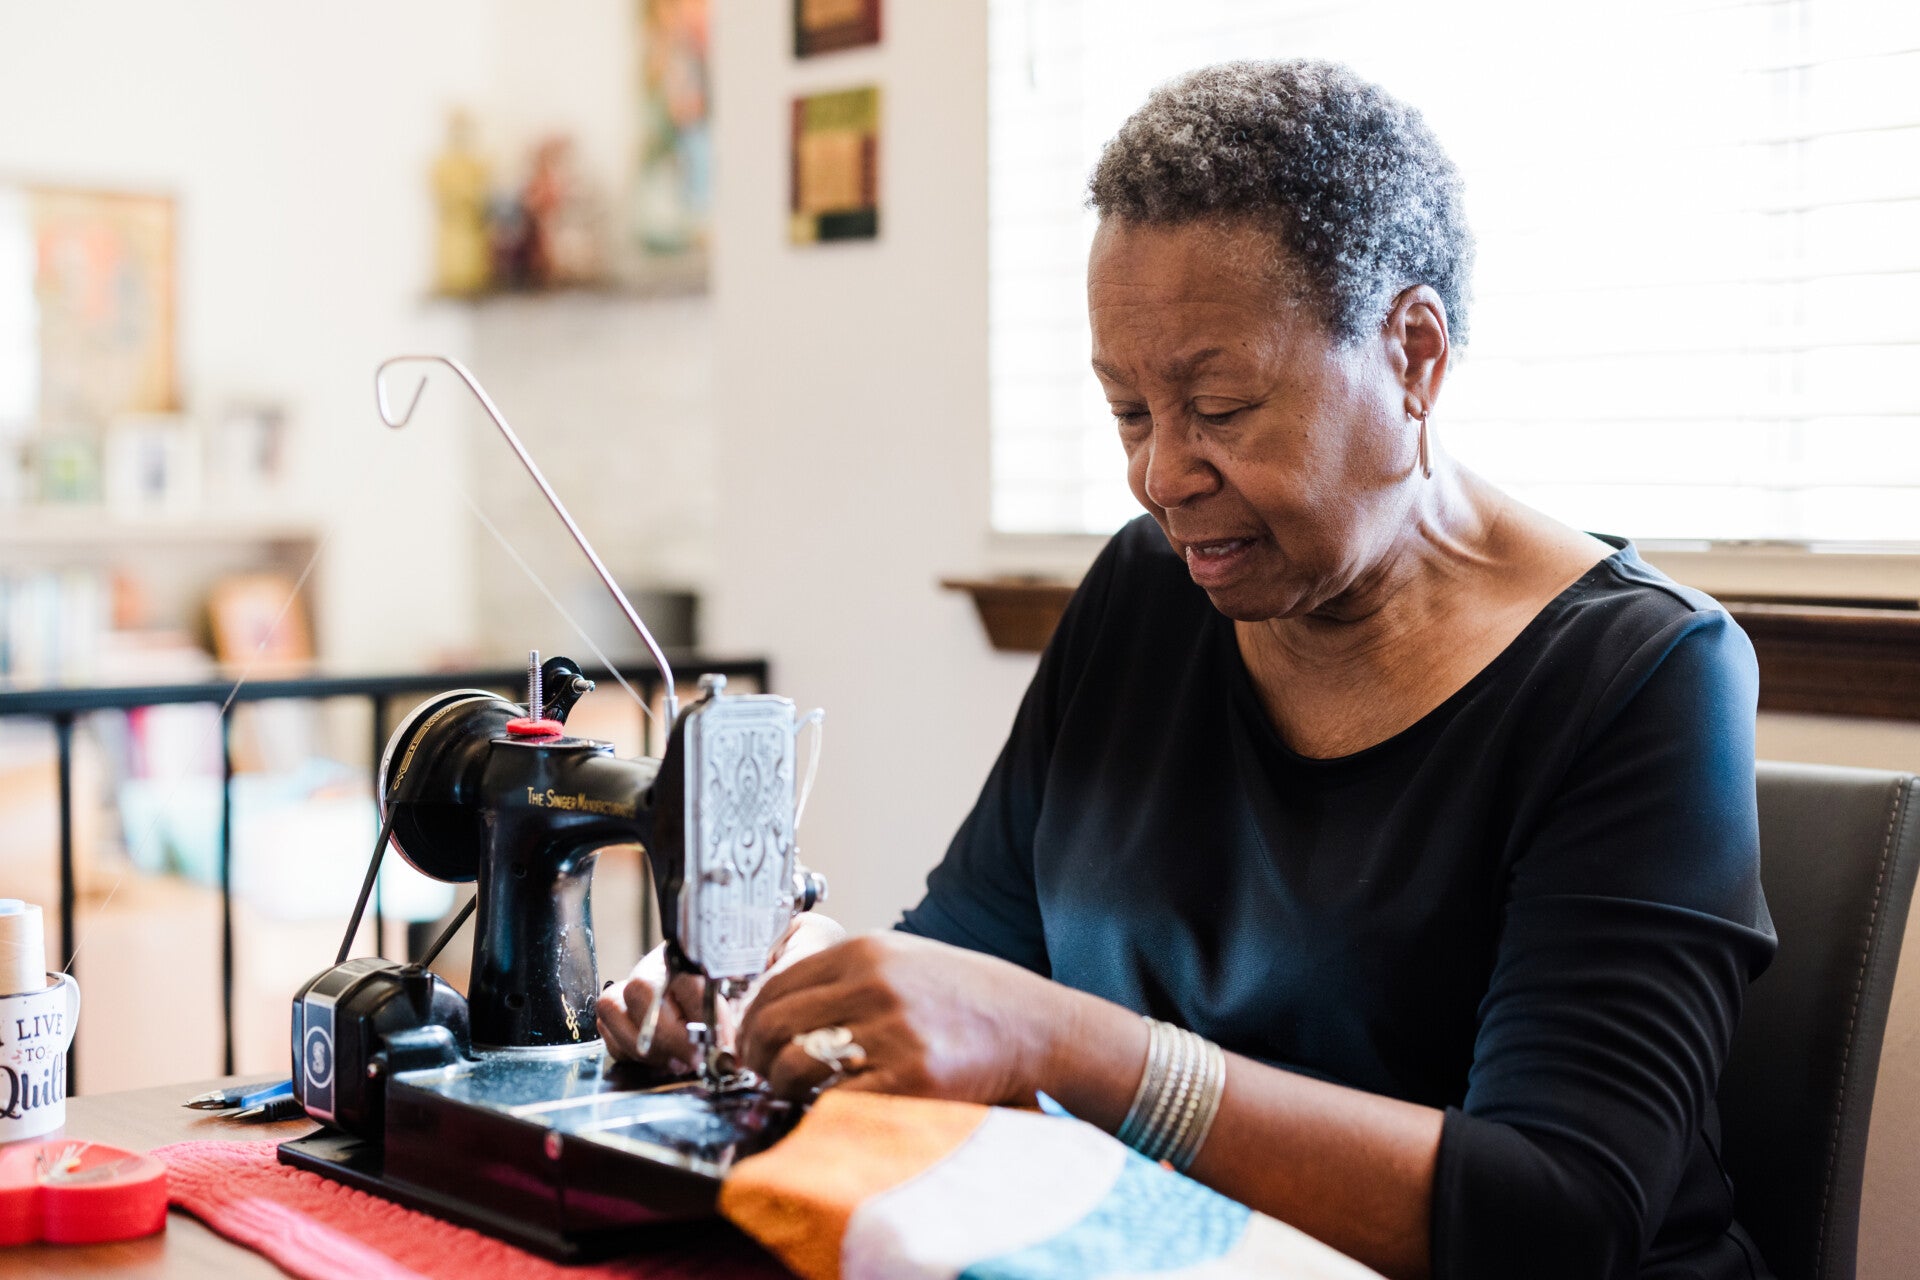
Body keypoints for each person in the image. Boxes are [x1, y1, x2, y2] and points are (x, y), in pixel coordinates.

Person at [597, 59, 1776, 1280]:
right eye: (1128, 411)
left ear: (1414, 355)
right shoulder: (1147, 592)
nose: (1162, 476)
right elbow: (975, 958)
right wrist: (790, 995)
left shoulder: (1644, 676)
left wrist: (1073, 1046)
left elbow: (1558, 1216)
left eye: (1219, 405)